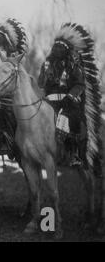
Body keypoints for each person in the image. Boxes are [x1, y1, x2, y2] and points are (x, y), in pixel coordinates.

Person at [38, 23, 97, 166]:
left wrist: (70, 97)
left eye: (61, 47)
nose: (57, 49)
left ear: (66, 51)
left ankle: (75, 154)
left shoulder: (73, 66)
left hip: (68, 102)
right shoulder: (46, 64)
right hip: (49, 102)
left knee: (72, 120)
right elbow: (40, 84)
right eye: (55, 47)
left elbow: (80, 84)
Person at [0, 18, 29, 160]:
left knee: (3, 110)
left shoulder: (12, 54)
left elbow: (13, 73)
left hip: (5, 91)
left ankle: (9, 140)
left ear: (4, 37)